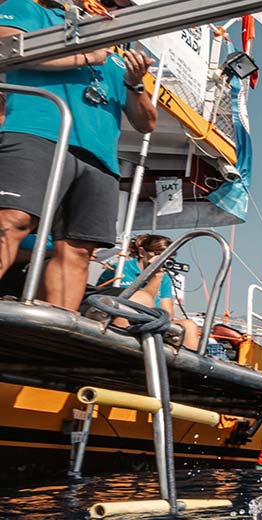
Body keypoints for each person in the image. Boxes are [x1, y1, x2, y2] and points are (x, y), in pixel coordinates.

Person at [0, 0, 156, 310]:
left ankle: (57, 339)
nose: (112, 7)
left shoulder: (117, 55)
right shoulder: (31, 10)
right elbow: (5, 46)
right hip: (35, 133)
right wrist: (85, 55)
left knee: (79, 249)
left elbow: (146, 122)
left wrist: (135, 84)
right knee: (11, 222)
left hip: (99, 158)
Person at [95, 234, 200, 350]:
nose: (162, 259)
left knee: (189, 326)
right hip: (123, 316)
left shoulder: (165, 278)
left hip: (152, 320)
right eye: (157, 254)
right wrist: (155, 276)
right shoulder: (119, 269)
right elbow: (141, 303)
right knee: (126, 310)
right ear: (142, 252)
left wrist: (158, 275)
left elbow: (168, 313)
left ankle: (185, 364)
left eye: (168, 256)